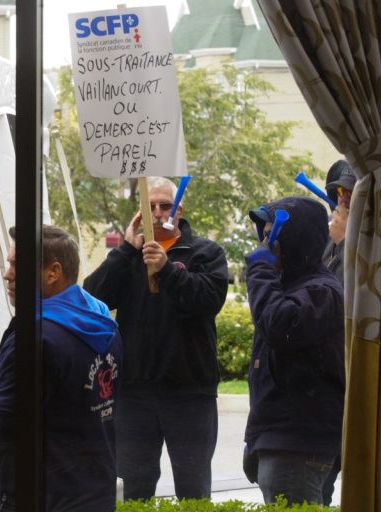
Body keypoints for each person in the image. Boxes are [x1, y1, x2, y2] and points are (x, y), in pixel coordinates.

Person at [0, 225, 122, 511]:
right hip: (91, 492)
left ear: (53, 272)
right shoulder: (102, 323)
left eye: (17, 265)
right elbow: (65, 402)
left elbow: (5, 430)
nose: (7, 273)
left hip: (38, 495)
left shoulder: (34, 338)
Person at [83, 176, 229, 501]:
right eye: (151, 207)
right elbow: (93, 297)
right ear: (139, 213)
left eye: (166, 205)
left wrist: (168, 270)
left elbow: (208, 301)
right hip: (135, 394)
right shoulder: (129, 256)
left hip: (190, 393)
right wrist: (125, 251)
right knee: (133, 489)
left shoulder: (205, 252)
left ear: (180, 209)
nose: (160, 212)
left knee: (193, 491)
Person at [243, 196, 345, 505]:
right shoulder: (289, 286)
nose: (264, 242)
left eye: (271, 232)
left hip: (298, 443)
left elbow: (280, 325)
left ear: (293, 236)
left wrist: (260, 272)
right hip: (281, 439)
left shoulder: (320, 291)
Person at [320, 159, 355, 505]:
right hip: (333, 382)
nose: (342, 201)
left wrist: (345, 244)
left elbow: (346, 297)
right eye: (339, 193)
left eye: (349, 193)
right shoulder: (332, 238)